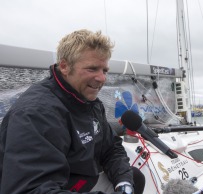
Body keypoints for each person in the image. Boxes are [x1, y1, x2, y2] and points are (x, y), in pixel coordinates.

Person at [0, 29, 145, 194]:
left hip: (78, 179)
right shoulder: (36, 113)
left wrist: (124, 184)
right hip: (50, 186)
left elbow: (111, 148)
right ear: (64, 66)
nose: (102, 78)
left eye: (104, 70)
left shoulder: (88, 101)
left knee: (134, 178)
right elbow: (30, 189)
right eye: (92, 69)